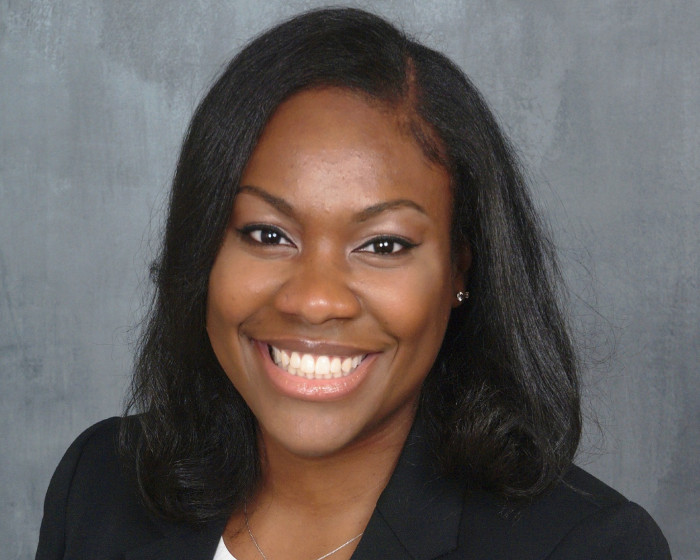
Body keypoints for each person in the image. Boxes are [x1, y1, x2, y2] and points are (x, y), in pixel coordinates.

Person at [35, 7, 671, 560]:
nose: (315, 300)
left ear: (461, 270)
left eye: (383, 245)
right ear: (201, 249)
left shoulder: (586, 547)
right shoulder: (102, 485)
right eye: (267, 234)